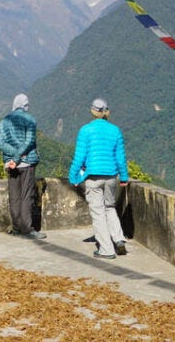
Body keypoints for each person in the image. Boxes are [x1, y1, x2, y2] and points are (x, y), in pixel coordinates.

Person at [68, 98, 128, 259]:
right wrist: (124, 177)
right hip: (111, 176)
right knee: (109, 207)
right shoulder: (115, 130)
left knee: (98, 212)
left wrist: (73, 176)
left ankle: (106, 250)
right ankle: (119, 239)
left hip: (93, 176)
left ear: (92, 111)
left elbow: (79, 157)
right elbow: (120, 157)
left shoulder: (85, 130)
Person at [0, 93, 46, 239]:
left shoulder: (4, 121)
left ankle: (17, 227)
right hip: (26, 162)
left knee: (14, 196)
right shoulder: (30, 120)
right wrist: (18, 157)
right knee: (26, 195)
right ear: (25, 105)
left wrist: (13, 158)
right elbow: (29, 141)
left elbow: (1, 143)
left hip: (11, 164)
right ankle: (27, 229)